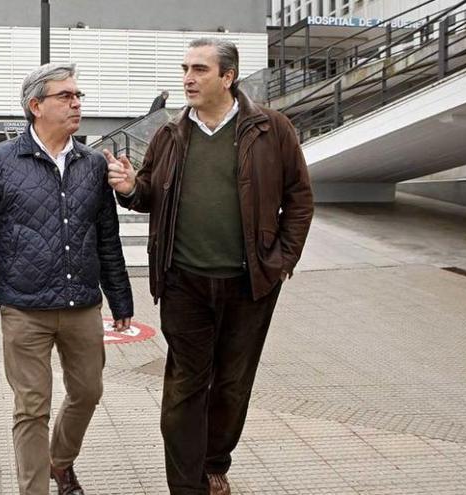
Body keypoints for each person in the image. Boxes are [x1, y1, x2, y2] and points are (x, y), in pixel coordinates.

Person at [105, 38, 314, 495]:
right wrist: (127, 187)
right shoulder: (170, 133)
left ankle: (215, 460)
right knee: (184, 386)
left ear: (228, 76)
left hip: (250, 283)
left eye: (199, 69)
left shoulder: (271, 130)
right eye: (185, 68)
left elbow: (300, 198)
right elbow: (148, 195)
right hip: (183, 282)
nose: (188, 78)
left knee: (233, 383)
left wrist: (281, 261)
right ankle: (188, 486)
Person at [0, 62, 134, 495]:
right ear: (35, 105)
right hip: (24, 309)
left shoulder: (93, 163)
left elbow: (106, 237)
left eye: (78, 96)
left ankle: (60, 461)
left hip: (82, 306)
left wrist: (121, 299)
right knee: (31, 407)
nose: (77, 103)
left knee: (88, 392)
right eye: (66, 96)